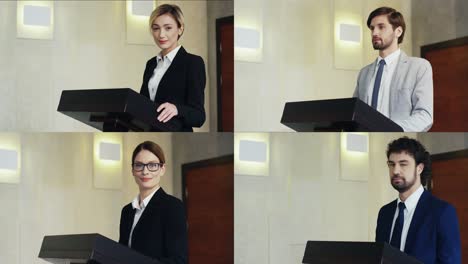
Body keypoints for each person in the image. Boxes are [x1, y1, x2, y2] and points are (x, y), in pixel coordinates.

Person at [376, 137, 461, 263]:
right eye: (391, 164)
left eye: (403, 164)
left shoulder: (442, 212)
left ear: (419, 168)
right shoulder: (385, 213)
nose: (395, 171)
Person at [353, 7, 433, 132]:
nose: (374, 33)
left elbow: (424, 116)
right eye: (372, 28)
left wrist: (393, 129)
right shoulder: (364, 73)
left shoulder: (419, 67)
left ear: (398, 31)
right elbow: (355, 114)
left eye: (381, 27)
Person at [119, 141, 187, 264]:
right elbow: (121, 253)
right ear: (133, 170)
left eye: (152, 165)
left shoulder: (173, 207)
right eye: (139, 165)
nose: (145, 171)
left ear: (162, 169)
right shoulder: (127, 211)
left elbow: (178, 261)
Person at [140, 4, 206, 132]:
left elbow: (199, 117)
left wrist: (177, 109)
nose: (161, 35)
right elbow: (144, 104)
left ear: (180, 29)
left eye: (168, 28)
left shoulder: (193, 63)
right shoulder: (151, 64)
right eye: (156, 28)